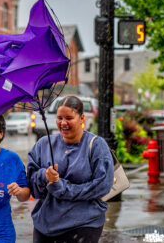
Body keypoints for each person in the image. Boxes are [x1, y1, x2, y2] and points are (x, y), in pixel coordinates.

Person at [27, 96, 115, 243]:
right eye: (59, 118)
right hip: (45, 226)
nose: (63, 123)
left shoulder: (96, 146)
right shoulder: (44, 144)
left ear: (82, 118)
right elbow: (32, 185)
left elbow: (102, 186)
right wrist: (44, 176)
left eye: (69, 118)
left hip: (84, 225)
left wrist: (62, 188)